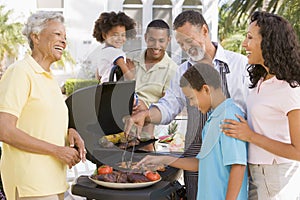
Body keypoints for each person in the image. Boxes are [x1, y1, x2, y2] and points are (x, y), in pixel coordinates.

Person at [125, 10, 249, 199]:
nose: (186, 48)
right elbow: (169, 105)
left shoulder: (239, 64)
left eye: (189, 41)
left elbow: (252, 112)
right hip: (197, 156)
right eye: (181, 44)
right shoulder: (183, 71)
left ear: (205, 31)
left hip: (231, 156)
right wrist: (147, 115)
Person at [0, 11, 86, 200]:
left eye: (65, 37)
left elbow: (43, 123)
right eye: (57, 34)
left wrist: (69, 132)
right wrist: (57, 151)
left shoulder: (48, 78)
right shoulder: (20, 72)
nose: (64, 41)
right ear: (36, 37)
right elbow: (4, 130)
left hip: (54, 181)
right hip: (30, 183)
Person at [138, 63, 248, 200]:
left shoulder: (229, 117)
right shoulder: (212, 118)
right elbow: (202, 164)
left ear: (206, 90)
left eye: (191, 98)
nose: (191, 104)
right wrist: (163, 159)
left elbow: (238, 166)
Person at [220, 11, 300, 199]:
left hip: (277, 178)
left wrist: (250, 136)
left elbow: (298, 151)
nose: (244, 44)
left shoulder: (290, 89)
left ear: (269, 43)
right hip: (256, 173)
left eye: (250, 37)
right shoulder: (260, 81)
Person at [126, 19, 178, 150]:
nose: (156, 45)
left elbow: (168, 104)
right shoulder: (131, 60)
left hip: (149, 127)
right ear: (145, 38)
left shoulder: (172, 70)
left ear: (168, 40)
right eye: (152, 40)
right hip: (123, 120)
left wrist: (146, 109)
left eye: (161, 41)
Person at [93, 11, 136, 82]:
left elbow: (98, 76)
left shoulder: (102, 52)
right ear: (104, 35)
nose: (120, 38)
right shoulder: (116, 53)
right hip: (116, 90)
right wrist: (132, 70)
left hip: (105, 89)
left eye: (123, 35)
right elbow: (129, 77)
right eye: (115, 35)